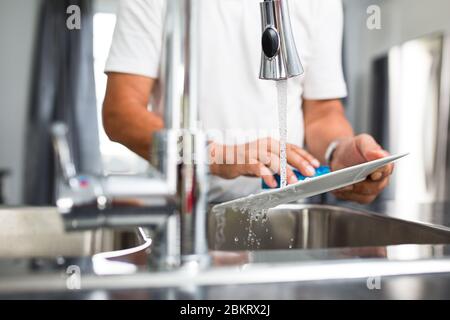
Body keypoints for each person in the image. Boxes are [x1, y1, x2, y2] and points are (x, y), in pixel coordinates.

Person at [103, 0, 393, 203]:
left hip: (287, 211)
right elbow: (121, 112)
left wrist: (338, 153)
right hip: (186, 211)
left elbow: (322, 113)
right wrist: (213, 155)